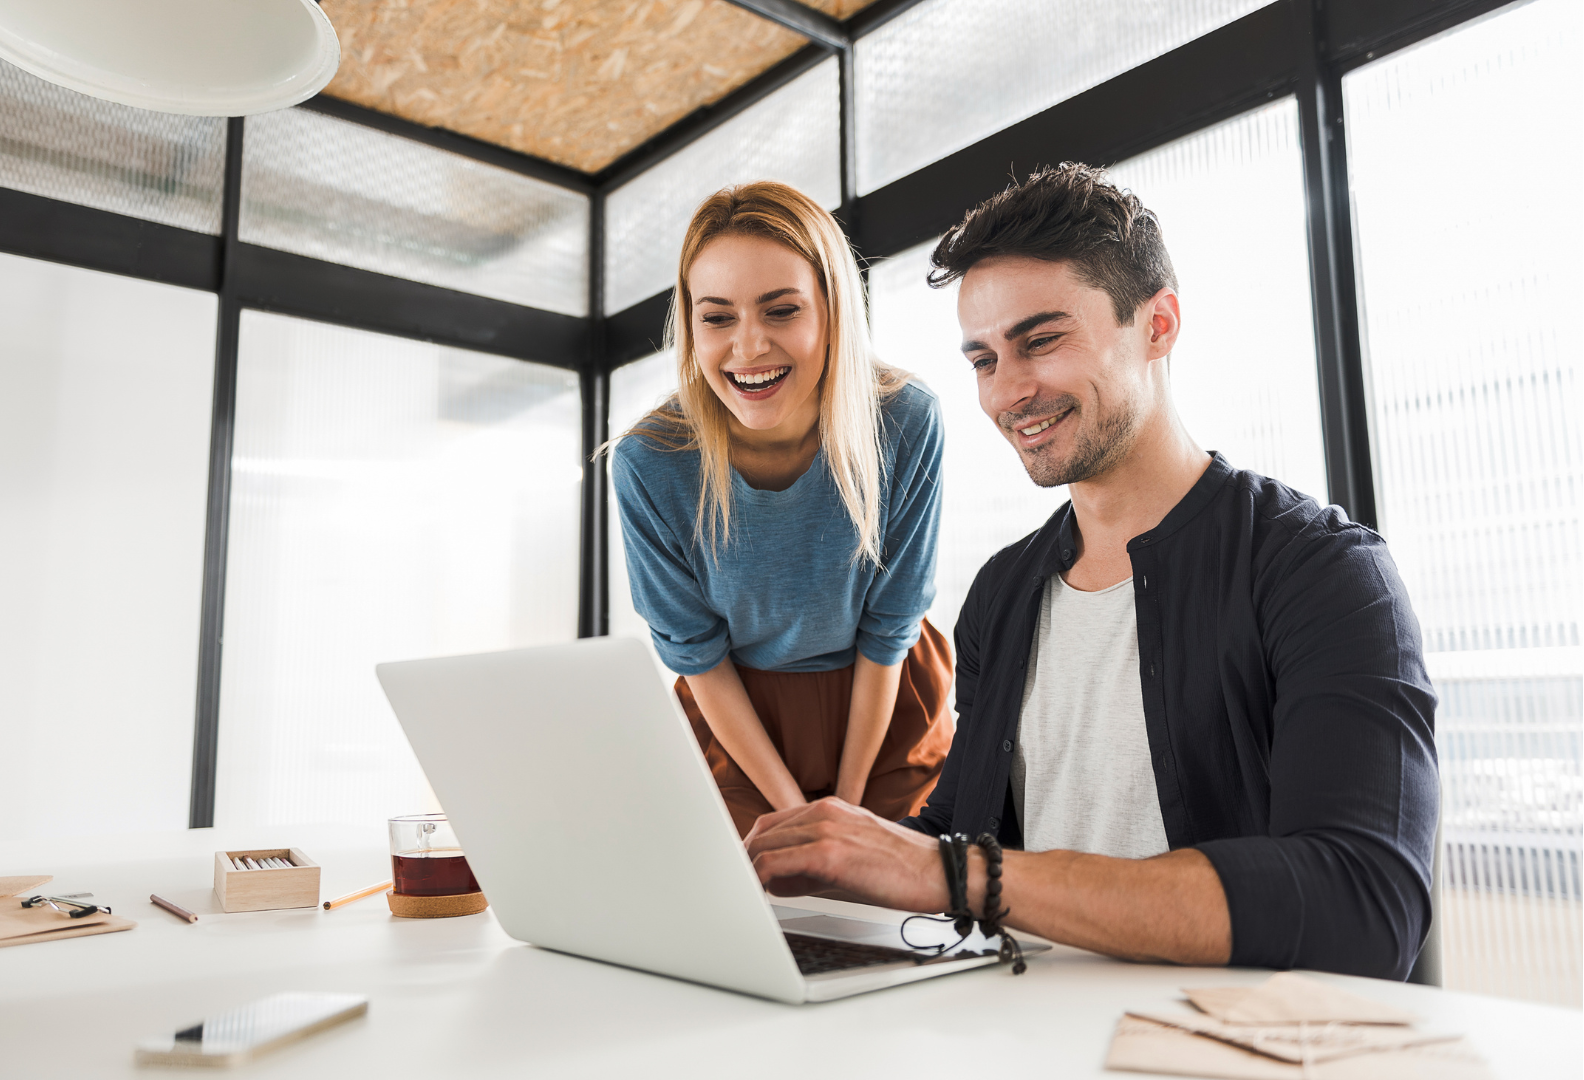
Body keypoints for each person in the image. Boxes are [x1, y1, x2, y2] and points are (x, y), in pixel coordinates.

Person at [744, 164, 1439, 980]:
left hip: (1216, 1047)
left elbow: (1360, 904)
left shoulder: (1320, 572)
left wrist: (949, 872)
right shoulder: (1005, 591)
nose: (1009, 391)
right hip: (1024, 1033)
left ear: (1159, 324)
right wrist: (819, 867)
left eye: (1041, 341)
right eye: (982, 359)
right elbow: (959, 838)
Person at [610, 181, 952, 838]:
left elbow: (890, 629)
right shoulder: (649, 462)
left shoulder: (907, 421)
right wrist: (797, 813)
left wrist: (846, 813)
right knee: (759, 912)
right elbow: (697, 654)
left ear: (831, 311)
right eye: (716, 318)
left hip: (884, 702)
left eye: (780, 310)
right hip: (738, 721)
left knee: (895, 904)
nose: (747, 348)